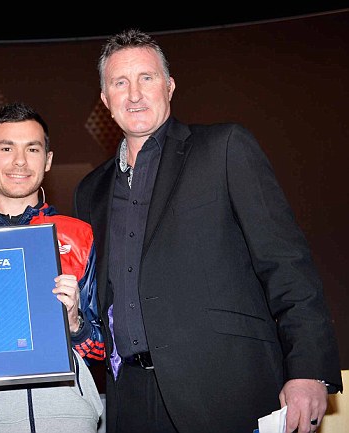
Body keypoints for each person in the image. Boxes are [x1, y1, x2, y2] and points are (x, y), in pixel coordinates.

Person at [73, 28, 343, 433]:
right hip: (128, 400)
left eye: (146, 78)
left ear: (170, 85)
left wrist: (308, 369)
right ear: (105, 99)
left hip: (226, 387)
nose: (134, 94)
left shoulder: (225, 147)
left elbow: (286, 265)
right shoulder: (90, 190)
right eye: (120, 83)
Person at [0, 102, 105, 432]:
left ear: (48, 160)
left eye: (32, 149)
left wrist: (74, 323)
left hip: (69, 419)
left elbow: (101, 349)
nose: (19, 161)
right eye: (6, 148)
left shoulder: (77, 234)